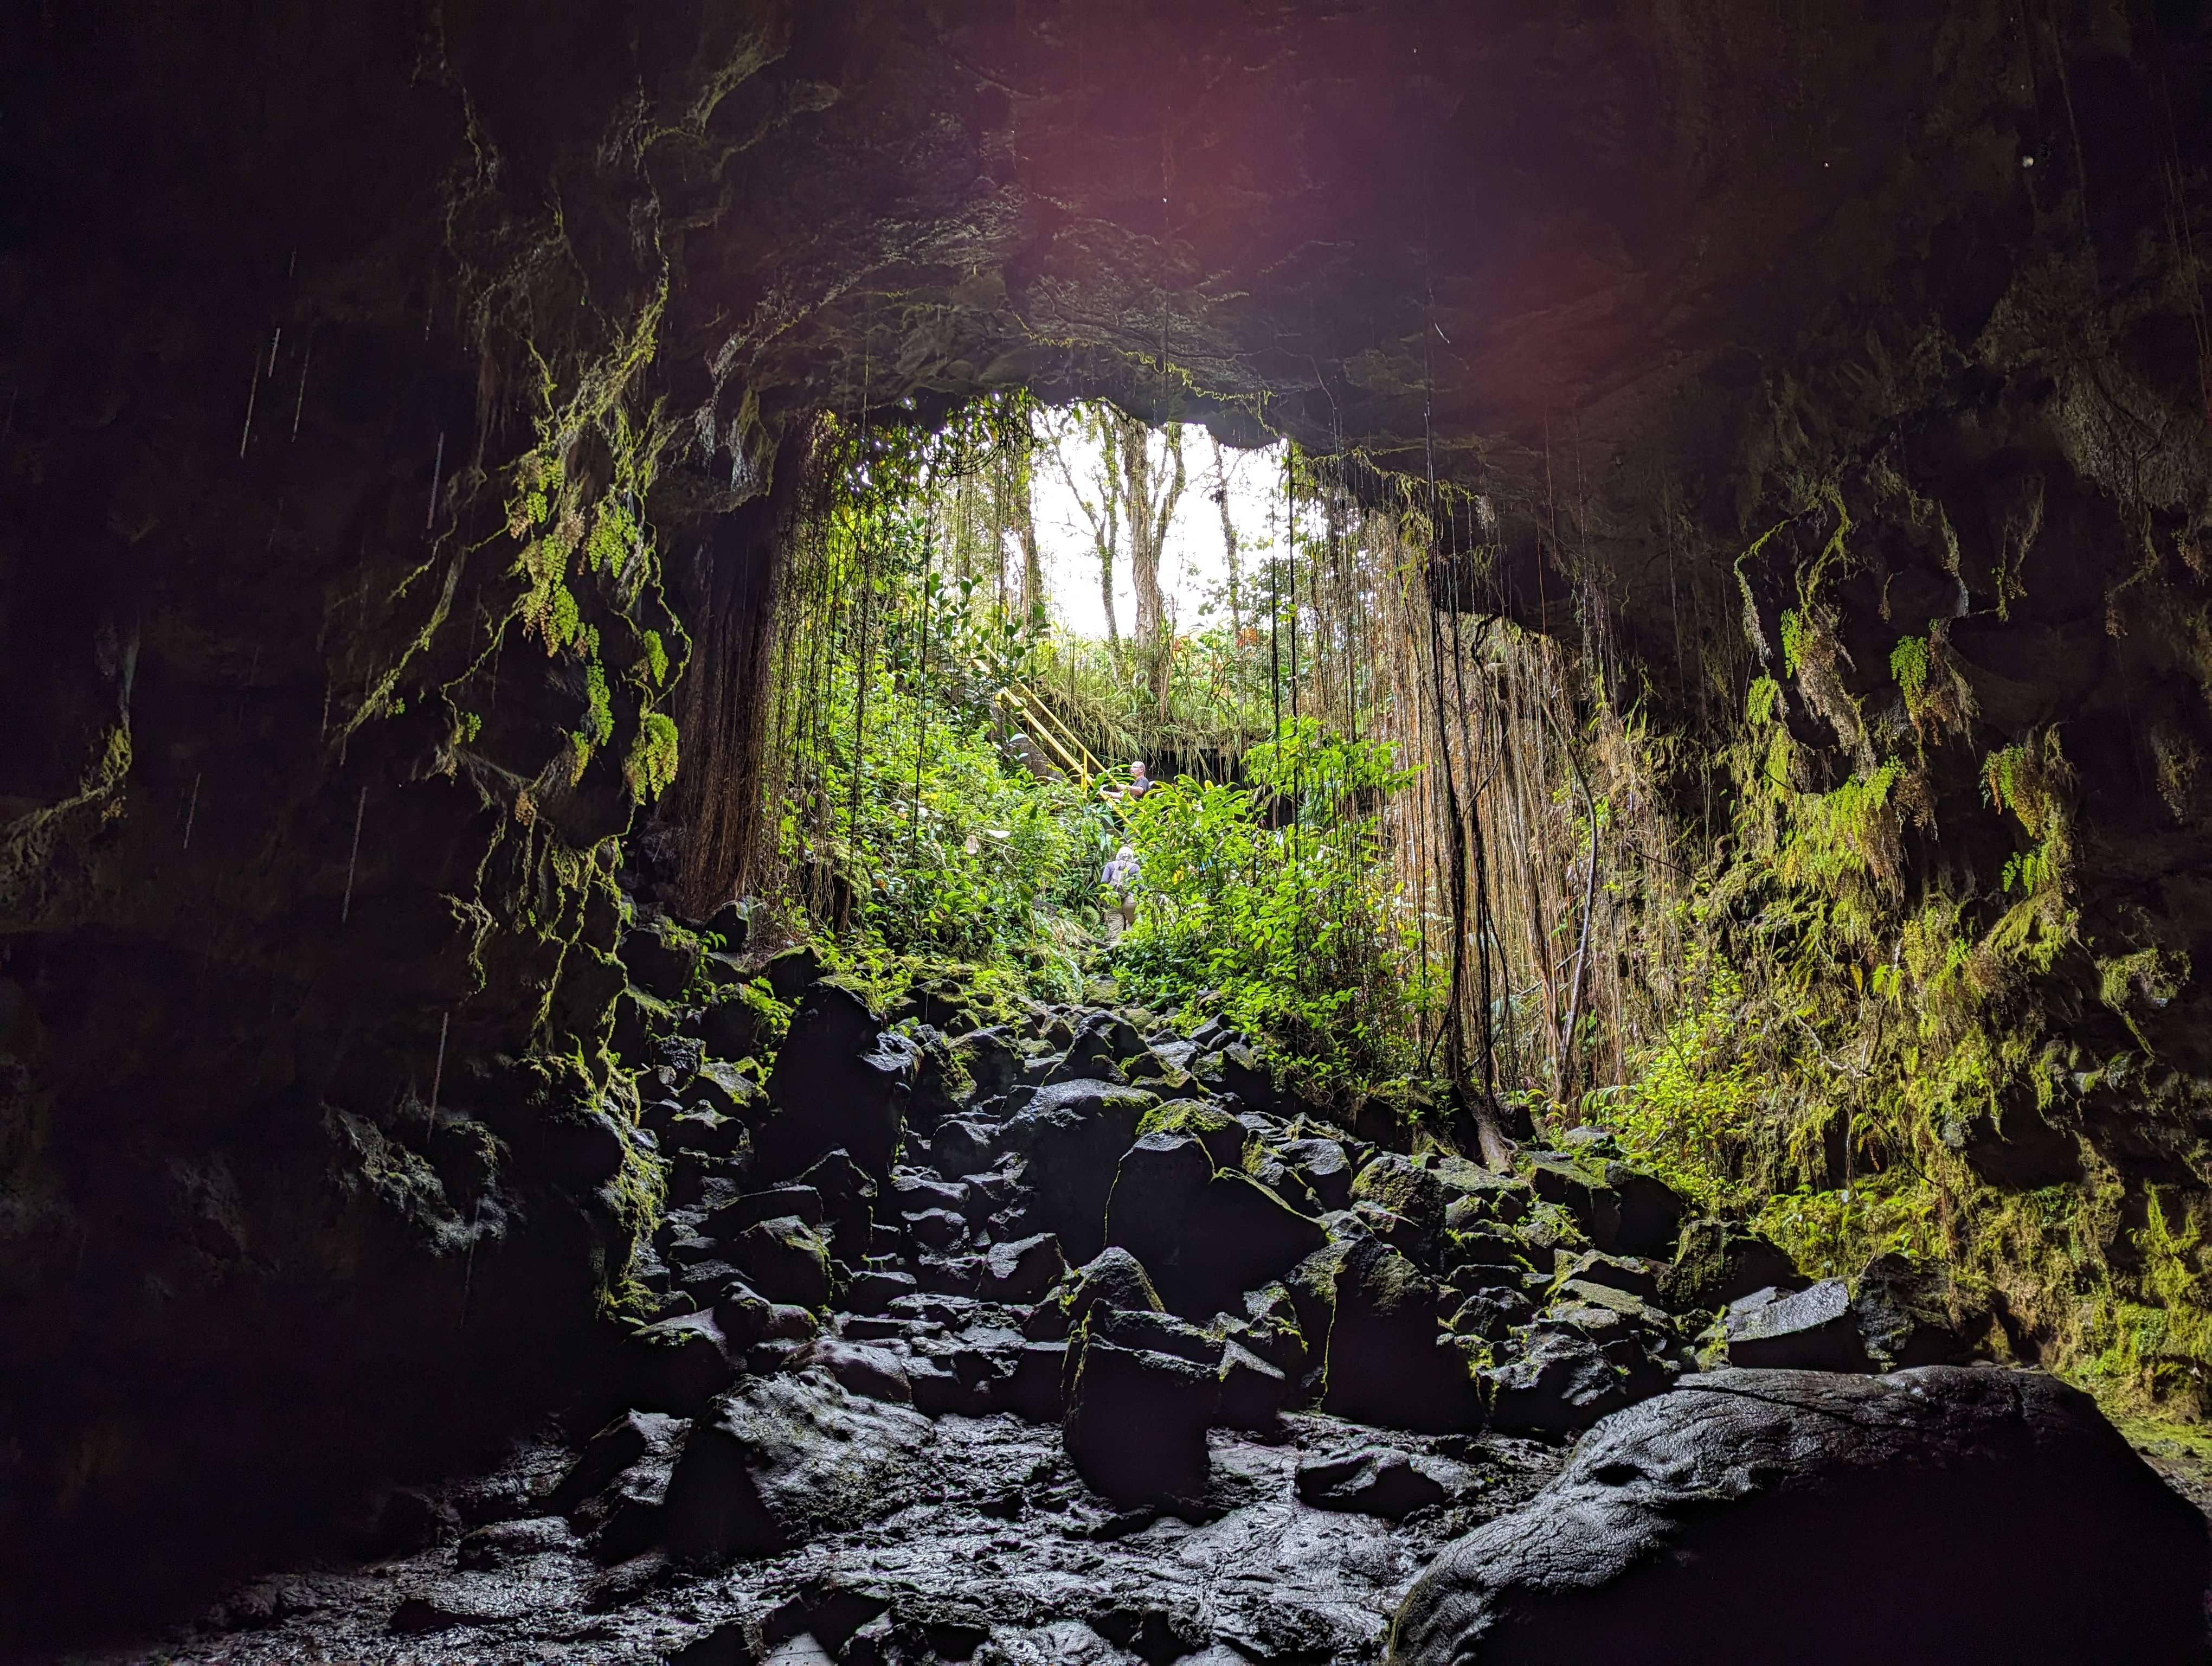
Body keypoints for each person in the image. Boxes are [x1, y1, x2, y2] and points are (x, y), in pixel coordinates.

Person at [1101, 843, 1141, 934]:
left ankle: (1116, 946)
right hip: (1130, 900)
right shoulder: (1135, 867)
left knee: (1115, 928)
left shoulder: (1110, 865)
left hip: (1114, 900)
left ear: (1118, 855)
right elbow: (1141, 886)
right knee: (1133, 924)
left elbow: (1104, 882)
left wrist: (1105, 900)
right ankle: (1132, 944)